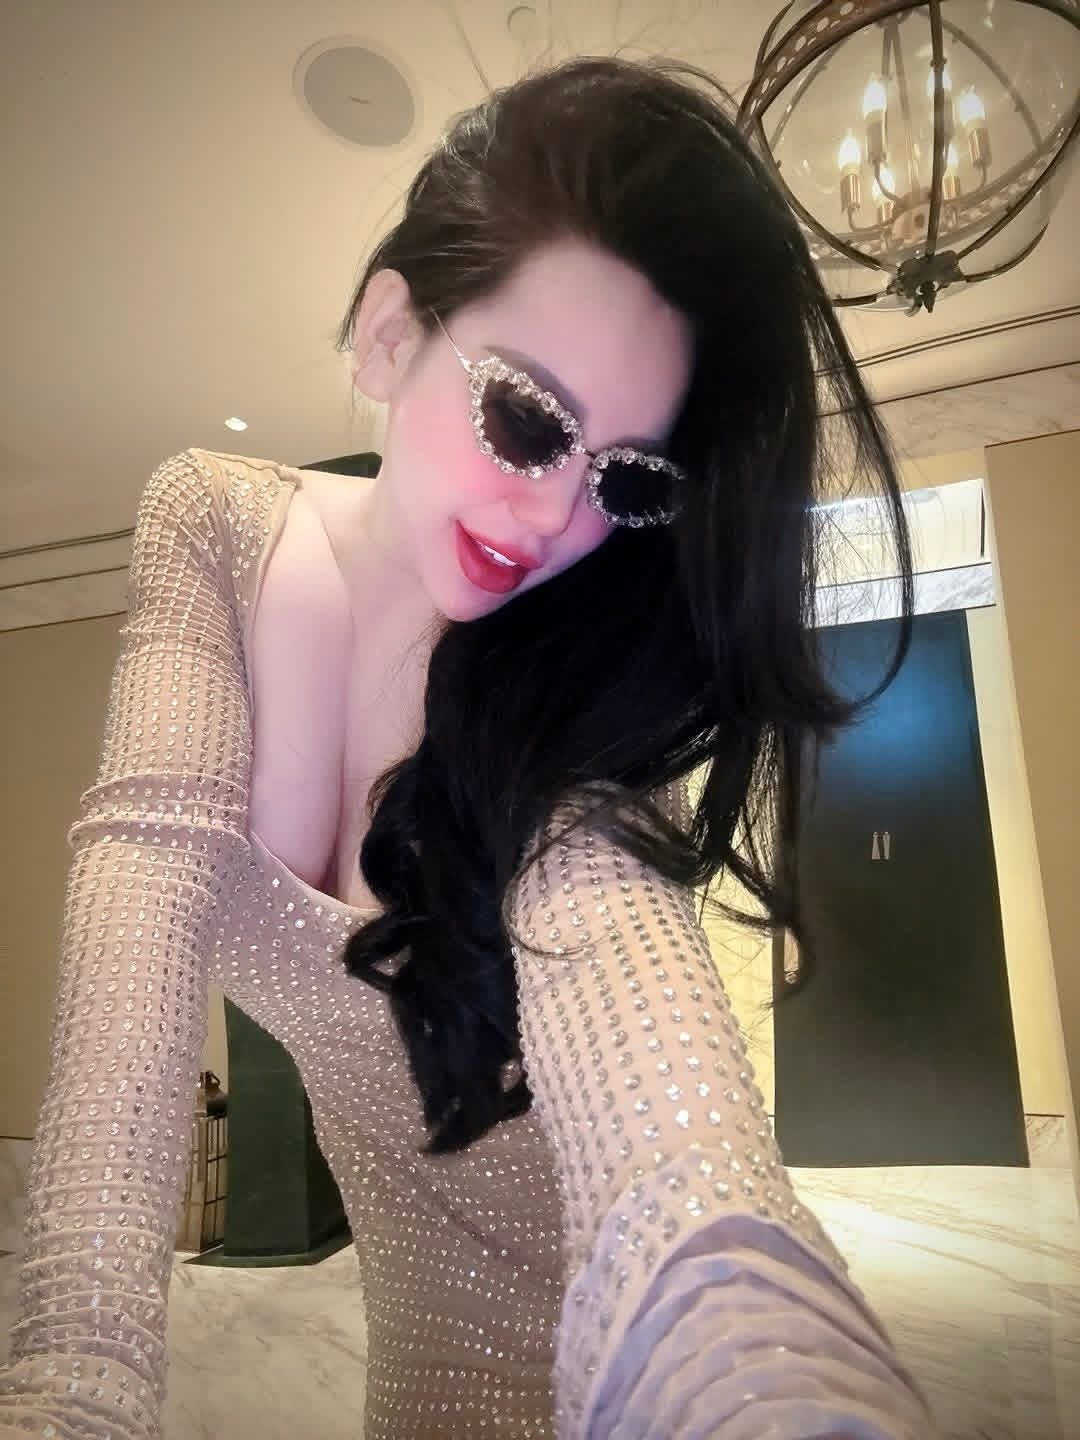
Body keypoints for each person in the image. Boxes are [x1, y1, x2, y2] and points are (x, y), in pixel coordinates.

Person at [0, 54, 939, 1439]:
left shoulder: (571, 707)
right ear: (390, 336)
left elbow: (670, 1121)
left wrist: (772, 1378)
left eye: (625, 478)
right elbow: (135, 901)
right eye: (526, 418)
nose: (558, 516)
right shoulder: (213, 525)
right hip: (418, 1386)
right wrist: (69, 1394)